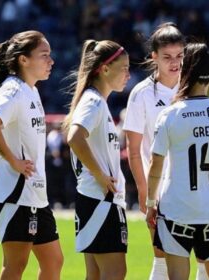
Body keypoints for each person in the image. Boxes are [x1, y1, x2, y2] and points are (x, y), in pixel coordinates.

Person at [0, 30, 63, 279]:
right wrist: (13, 161)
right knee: (16, 264)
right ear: (23, 60)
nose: (51, 61)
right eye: (44, 55)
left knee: (54, 261)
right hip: (13, 192)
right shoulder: (12, 90)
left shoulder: (30, 90)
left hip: (34, 194)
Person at [146, 42, 209, 280]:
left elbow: (156, 165)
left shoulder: (170, 114)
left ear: (185, 75)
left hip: (177, 209)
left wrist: (149, 203)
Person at [123, 22, 194, 279]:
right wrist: (145, 191)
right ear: (154, 56)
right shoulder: (141, 94)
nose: (174, 62)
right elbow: (133, 150)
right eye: (167, 57)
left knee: (204, 258)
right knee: (162, 256)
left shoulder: (193, 87)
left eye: (179, 56)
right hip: (160, 189)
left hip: (194, 187)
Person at [62, 39, 130, 280]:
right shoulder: (93, 101)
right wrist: (100, 175)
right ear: (104, 68)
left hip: (97, 201)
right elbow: (75, 137)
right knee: (115, 272)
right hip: (99, 200)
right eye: (124, 68)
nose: (128, 75)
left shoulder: (97, 101)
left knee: (96, 274)